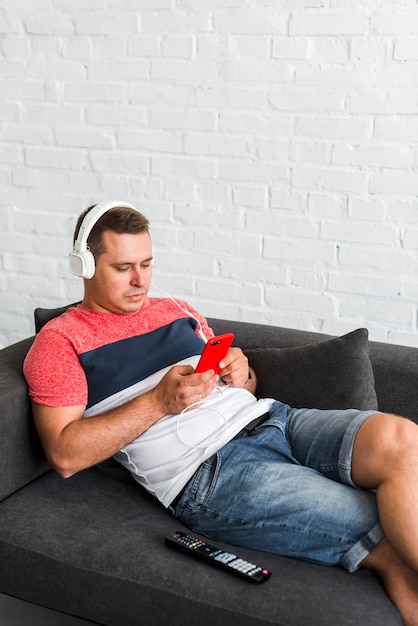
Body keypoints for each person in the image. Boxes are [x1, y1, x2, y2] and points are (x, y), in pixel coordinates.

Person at [24, 201, 418, 626]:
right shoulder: (61, 342)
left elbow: (244, 387)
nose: (140, 281)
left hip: (276, 420)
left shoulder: (175, 309)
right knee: (385, 534)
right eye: (123, 268)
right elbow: (64, 455)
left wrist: (240, 371)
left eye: (147, 263)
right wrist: (158, 401)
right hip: (211, 472)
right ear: (84, 265)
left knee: (403, 438)